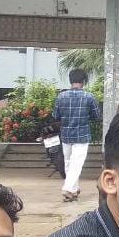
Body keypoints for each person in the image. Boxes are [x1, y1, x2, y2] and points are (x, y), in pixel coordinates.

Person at [52, 67, 101, 202]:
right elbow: (96, 116)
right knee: (76, 163)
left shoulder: (61, 96)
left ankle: (73, 190)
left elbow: (55, 115)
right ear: (83, 81)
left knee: (69, 162)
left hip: (66, 134)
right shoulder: (89, 97)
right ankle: (67, 188)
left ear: (70, 81)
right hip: (82, 135)